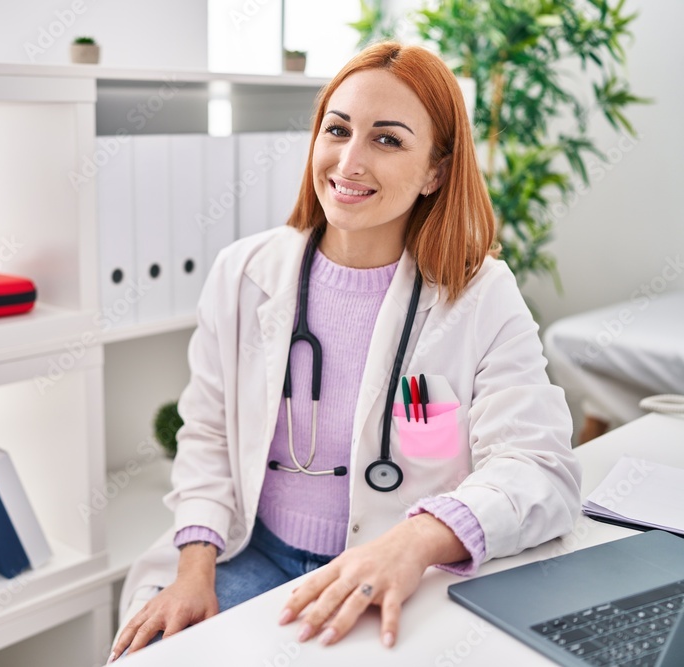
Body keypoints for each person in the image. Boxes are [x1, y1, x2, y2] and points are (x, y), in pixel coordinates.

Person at [110, 41, 582, 661]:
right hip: (253, 553)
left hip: (396, 564)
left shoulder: (479, 296)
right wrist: (195, 569)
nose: (349, 161)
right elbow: (205, 436)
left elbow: (538, 468)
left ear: (435, 171)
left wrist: (414, 543)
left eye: (387, 140)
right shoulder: (243, 272)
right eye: (338, 130)